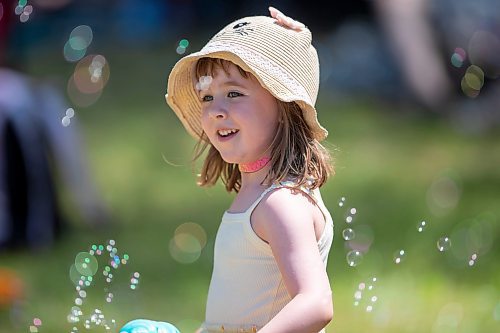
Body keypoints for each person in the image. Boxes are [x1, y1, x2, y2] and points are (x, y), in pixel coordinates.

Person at [166, 7, 334, 333]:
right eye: (207, 97)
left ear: (285, 106)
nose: (216, 109)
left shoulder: (282, 204)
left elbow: (316, 302)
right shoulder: (259, 195)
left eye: (233, 94)